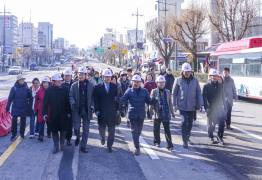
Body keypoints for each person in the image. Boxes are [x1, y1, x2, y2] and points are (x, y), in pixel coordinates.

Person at [116, 75, 157, 155]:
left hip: (141, 114)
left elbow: (148, 100)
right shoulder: (129, 91)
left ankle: (135, 140)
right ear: (132, 82)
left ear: (140, 83)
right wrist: (117, 99)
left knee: (139, 131)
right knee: (134, 131)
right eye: (135, 82)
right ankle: (137, 148)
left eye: (138, 82)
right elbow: (123, 100)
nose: (136, 83)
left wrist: (153, 101)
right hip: (132, 114)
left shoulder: (144, 91)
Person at [172, 63, 203, 148]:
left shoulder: (195, 80)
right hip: (182, 105)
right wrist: (174, 104)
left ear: (191, 71)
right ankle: (184, 141)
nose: (187, 73)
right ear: (182, 72)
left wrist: (201, 103)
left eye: (189, 72)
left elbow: (199, 93)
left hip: (192, 106)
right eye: (185, 72)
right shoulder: (178, 80)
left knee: (190, 123)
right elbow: (174, 93)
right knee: (184, 121)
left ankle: (187, 137)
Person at [43, 73, 71, 154]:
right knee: (54, 131)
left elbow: (68, 102)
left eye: (60, 81)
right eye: (57, 81)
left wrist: (69, 112)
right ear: (53, 82)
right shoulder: (48, 90)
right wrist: (44, 113)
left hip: (63, 114)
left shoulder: (65, 89)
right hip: (53, 114)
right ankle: (55, 146)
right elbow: (45, 103)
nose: (59, 82)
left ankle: (62, 143)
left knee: (63, 130)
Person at [70, 67, 95, 153]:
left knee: (86, 129)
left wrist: (92, 105)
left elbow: (94, 97)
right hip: (77, 110)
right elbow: (71, 96)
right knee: (76, 128)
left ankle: (83, 145)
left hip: (87, 110)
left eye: (82, 74)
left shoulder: (91, 85)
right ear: (77, 75)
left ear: (85, 75)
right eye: (79, 74)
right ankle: (78, 136)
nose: (80, 76)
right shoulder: (74, 86)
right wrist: (72, 102)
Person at [94, 69, 119, 153]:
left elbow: (117, 99)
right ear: (103, 77)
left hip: (112, 112)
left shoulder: (115, 86)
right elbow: (96, 100)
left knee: (112, 131)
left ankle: (109, 146)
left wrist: (118, 109)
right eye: (106, 77)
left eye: (109, 77)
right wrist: (96, 110)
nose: (108, 78)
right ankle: (102, 137)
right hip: (102, 112)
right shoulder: (97, 87)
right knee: (101, 129)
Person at [150, 76, 175, 151]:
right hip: (157, 113)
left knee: (167, 130)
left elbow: (170, 103)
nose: (162, 84)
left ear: (165, 83)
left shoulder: (167, 91)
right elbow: (151, 103)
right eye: (160, 82)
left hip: (166, 113)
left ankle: (169, 145)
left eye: (163, 82)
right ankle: (157, 142)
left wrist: (172, 112)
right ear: (157, 83)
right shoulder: (154, 91)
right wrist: (150, 112)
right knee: (156, 129)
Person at [203, 69, 227, 145]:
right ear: (210, 77)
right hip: (211, 108)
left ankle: (220, 137)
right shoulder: (206, 86)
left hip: (220, 108)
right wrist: (206, 107)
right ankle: (211, 137)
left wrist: (225, 106)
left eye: (216, 76)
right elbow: (204, 97)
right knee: (210, 123)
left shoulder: (221, 86)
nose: (215, 77)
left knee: (221, 123)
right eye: (213, 76)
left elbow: (223, 97)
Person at [6, 74, 31, 141]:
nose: (22, 80)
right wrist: (7, 107)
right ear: (18, 80)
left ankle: (22, 134)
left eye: (23, 79)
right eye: (21, 79)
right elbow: (10, 98)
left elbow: (29, 96)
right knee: (14, 121)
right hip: (15, 107)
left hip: (24, 107)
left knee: (23, 121)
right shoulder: (14, 88)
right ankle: (14, 135)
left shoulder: (26, 87)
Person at [34, 77, 51, 142]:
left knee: (49, 122)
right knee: (41, 122)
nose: (45, 84)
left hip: (49, 109)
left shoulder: (51, 90)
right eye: (44, 83)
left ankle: (49, 132)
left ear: (49, 83)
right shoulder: (39, 91)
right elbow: (36, 100)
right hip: (41, 109)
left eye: (46, 83)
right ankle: (41, 135)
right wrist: (35, 109)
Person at [61, 68, 74, 146]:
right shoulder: (61, 84)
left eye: (68, 75)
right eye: (66, 75)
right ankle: (63, 138)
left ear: (71, 76)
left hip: (72, 107)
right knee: (63, 123)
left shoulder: (75, 84)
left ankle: (68, 139)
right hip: (63, 107)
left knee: (70, 124)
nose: (67, 77)